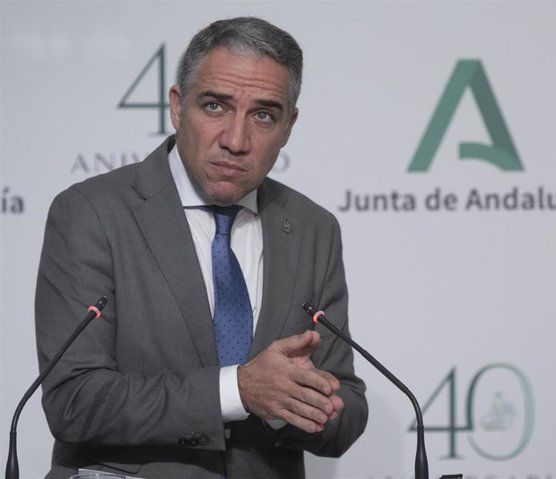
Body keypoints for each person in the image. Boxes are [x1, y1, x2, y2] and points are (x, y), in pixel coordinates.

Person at [35, 17, 367, 479]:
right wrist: (239, 390)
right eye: (215, 106)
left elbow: (347, 411)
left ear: (289, 127)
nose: (235, 140)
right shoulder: (92, 213)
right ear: (176, 106)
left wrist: (288, 399)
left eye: (264, 115)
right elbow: (73, 399)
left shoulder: (313, 228)